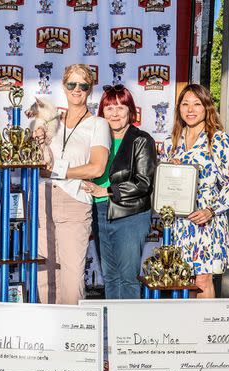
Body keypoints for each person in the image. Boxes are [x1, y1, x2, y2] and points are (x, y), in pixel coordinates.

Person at [36, 64, 110, 304]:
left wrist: (60, 171)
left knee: (72, 274)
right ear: (63, 86)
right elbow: (39, 163)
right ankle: (48, 328)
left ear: (90, 89)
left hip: (75, 201)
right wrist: (36, 142)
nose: (77, 89)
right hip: (44, 198)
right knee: (45, 271)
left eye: (83, 85)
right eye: (72, 84)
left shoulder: (98, 124)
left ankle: (72, 333)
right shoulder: (51, 121)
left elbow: (97, 167)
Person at [158, 83, 229, 298]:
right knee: (181, 280)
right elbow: (163, 185)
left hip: (205, 222)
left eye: (196, 104)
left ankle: (205, 331)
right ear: (179, 109)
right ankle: (185, 331)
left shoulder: (218, 140)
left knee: (202, 280)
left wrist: (210, 211)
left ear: (206, 108)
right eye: (185, 104)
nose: (190, 110)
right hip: (178, 224)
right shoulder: (170, 143)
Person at [82, 85, 157, 299]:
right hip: (99, 211)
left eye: (120, 108)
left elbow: (143, 183)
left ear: (130, 111)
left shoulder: (141, 140)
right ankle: (111, 325)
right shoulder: (95, 139)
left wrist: (106, 190)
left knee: (127, 276)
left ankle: (129, 329)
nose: (115, 114)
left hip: (130, 215)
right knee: (110, 276)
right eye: (109, 108)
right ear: (102, 113)